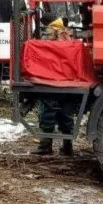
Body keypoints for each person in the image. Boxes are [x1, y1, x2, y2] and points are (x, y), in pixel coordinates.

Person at [36, 15, 75, 156]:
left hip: (51, 81)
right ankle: (67, 146)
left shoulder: (51, 36)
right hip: (67, 82)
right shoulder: (66, 35)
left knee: (47, 113)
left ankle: (45, 146)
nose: (45, 34)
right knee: (66, 114)